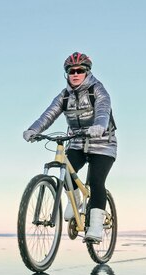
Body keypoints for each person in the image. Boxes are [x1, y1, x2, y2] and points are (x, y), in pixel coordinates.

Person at [23, 52, 117, 241]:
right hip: (77, 141)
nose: (75, 74)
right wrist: (33, 129)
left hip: (103, 143)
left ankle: (96, 228)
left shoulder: (98, 90)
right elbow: (48, 114)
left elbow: (103, 110)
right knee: (65, 169)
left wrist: (99, 126)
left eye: (79, 70)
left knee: (96, 182)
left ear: (87, 72)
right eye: (71, 71)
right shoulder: (64, 96)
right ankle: (75, 200)